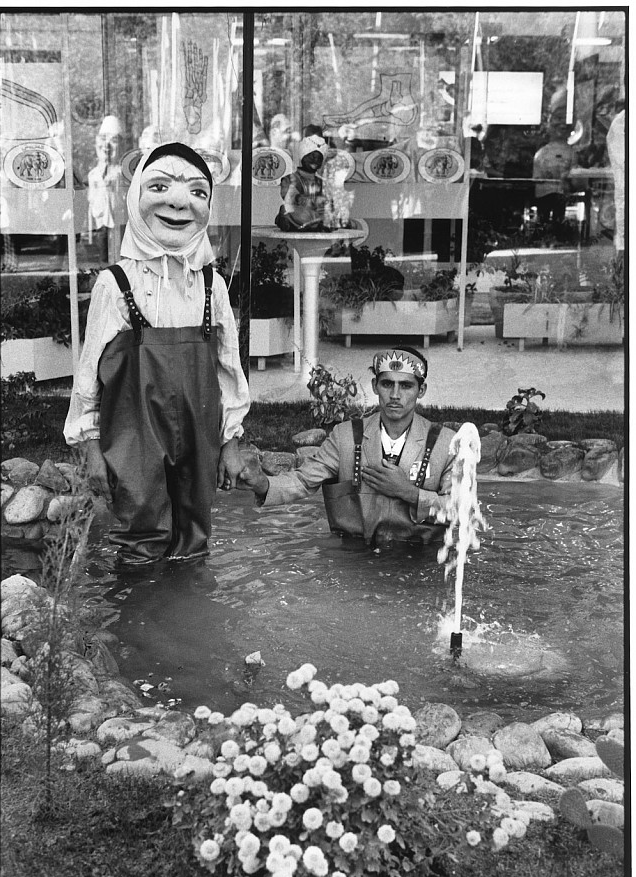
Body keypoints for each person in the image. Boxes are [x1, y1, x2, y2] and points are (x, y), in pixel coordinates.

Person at [64, 141, 250, 565]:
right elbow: (88, 375)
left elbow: (229, 370)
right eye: (161, 186)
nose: (179, 203)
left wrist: (231, 442)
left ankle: (188, 622)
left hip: (199, 434)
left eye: (197, 192)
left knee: (194, 540)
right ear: (136, 197)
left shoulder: (211, 285)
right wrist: (92, 449)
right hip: (132, 437)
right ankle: (139, 625)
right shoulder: (114, 285)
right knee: (139, 540)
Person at [238, 346, 456, 548]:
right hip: (356, 556)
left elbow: (462, 511)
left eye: (406, 385)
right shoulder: (346, 437)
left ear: (421, 390)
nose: (395, 395)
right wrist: (262, 484)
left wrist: (409, 492)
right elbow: (303, 481)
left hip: (420, 559)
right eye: (387, 384)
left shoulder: (445, 443)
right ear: (375, 386)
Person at [275, 134, 328, 232]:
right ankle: (310, 223)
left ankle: (315, 223)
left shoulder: (321, 182)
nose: (314, 161)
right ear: (303, 157)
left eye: (318, 158)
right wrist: (303, 200)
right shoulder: (290, 178)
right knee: (296, 212)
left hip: (316, 213)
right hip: (300, 212)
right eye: (311, 157)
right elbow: (289, 195)